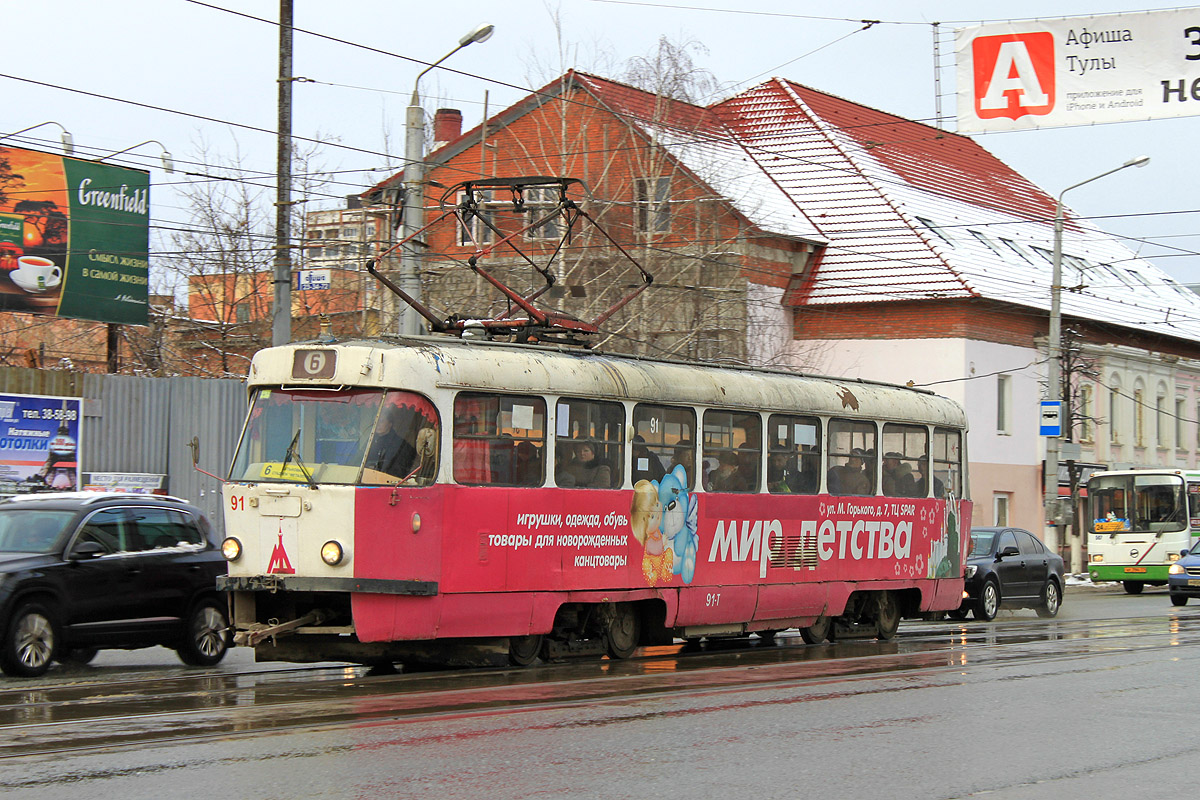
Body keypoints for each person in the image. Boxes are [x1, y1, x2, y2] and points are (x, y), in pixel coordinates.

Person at [366, 406, 417, 479]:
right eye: (375, 421)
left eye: (381, 421)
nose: (377, 424)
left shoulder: (399, 444)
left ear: (390, 424)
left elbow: (398, 469)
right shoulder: (371, 440)